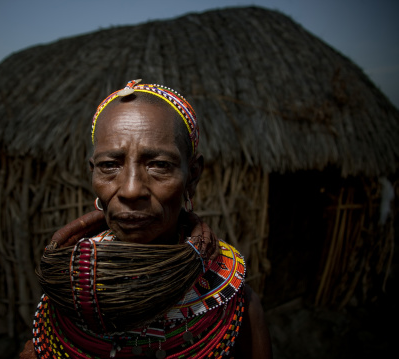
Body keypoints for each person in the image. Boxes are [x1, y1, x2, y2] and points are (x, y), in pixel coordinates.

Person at [20, 80, 271, 358]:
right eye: (109, 166)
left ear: (193, 175)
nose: (130, 190)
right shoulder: (66, 297)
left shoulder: (238, 308)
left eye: (159, 165)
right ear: (93, 172)